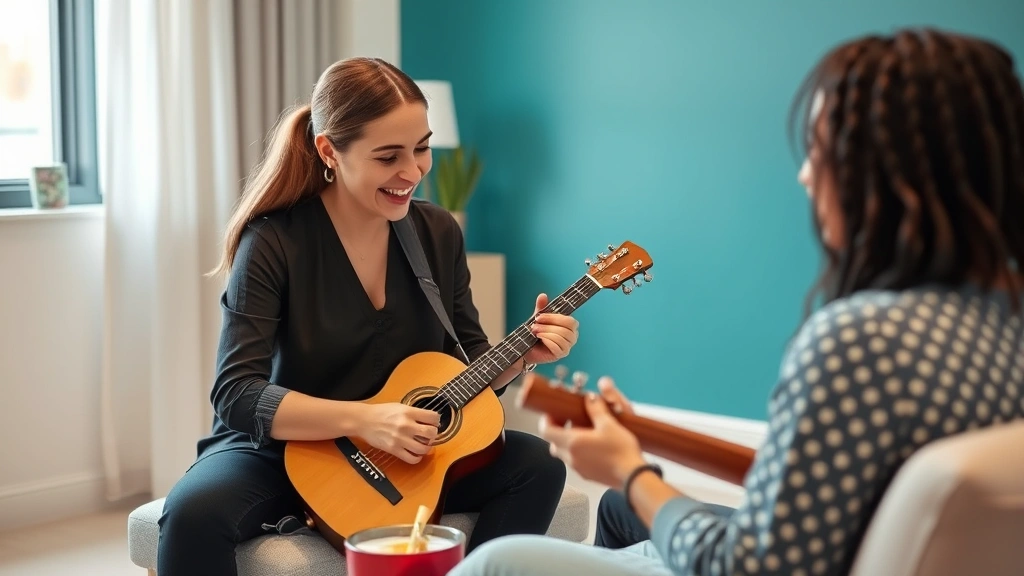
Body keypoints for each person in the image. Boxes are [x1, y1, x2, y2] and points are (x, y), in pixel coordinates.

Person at [450, 27, 1024, 576]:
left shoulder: (859, 340)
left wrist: (628, 470)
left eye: (820, 152)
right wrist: (636, 448)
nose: (805, 176)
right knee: (620, 512)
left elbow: (748, 565)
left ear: (891, 180)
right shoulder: (1004, 320)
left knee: (497, 561)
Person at [155, 57, 578, 576]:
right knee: (193, 513)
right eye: (388, 156)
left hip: (401, 457)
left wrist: (521, 358)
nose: (413, 172)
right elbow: (237, 394)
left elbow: (468, 365)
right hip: (282, 451)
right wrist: (367, 420)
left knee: (537, 465)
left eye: (421, 148)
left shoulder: (438, 232)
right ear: (329, 151)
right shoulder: (272, 241)